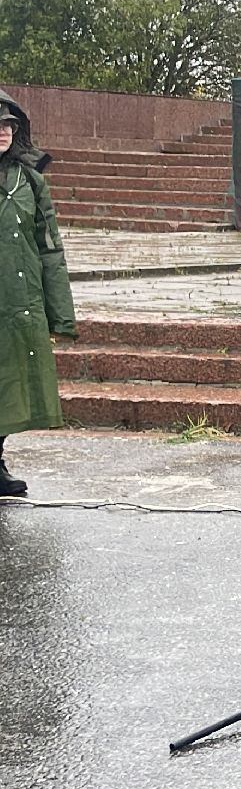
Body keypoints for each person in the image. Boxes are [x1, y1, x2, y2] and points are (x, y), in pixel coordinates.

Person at [0, 91, 75, 497]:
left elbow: (50, 248)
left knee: (11, 383)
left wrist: (57, 313)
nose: (3, 132)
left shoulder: (29, 179)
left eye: (8, 125)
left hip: (17, 301)